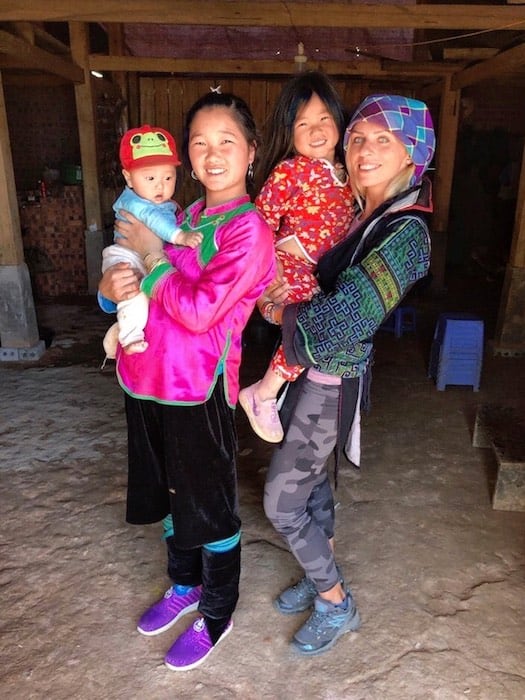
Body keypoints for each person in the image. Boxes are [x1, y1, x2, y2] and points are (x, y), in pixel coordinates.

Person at [98, 92, 275, 671]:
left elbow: (200, 312)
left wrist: (152, 262)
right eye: (199, 143)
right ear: (186, 159)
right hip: (145, 381)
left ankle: (217, 610)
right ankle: (185, 583)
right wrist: (115, 288)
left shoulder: (248, 232)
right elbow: (122, 271)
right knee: (171, 494)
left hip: (197, 389)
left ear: (250, 152)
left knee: (211, 506)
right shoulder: (184, 216)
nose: (212, 153)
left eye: (227, 141)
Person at [262, 94, 436, 656]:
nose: (364, 150)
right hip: (308, 373)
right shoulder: (365, 213)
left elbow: (340, 322)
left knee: (282, 503)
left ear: (414, 153)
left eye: (383, 139)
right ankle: (320, 577)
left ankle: (336, 603)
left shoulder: (407, 234)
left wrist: (274, 311)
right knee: (311, 485)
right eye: (358, 137)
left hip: (329, 378)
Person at [238, 71, 354, 443]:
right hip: (285, 269)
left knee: (321, 328)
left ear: (339, 119)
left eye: (323, 119)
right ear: (289, 134)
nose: (316, 129)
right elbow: (261, 223)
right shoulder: (290, 171)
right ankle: (263, 392)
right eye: (303, 123)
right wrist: (264, 273)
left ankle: (288, 393)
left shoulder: (350, 173)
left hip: (317, 274)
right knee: (312, 325)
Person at [101, 124, 202, 359]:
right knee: (135, 292)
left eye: (168, 177)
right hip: (124, 257)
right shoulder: (135, 203)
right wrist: (181, 237)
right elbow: (154, 222)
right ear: (128, 177)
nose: (160, 185)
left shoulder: (175, 208)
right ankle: (130, 336)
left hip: (171, 355)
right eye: (150, 178)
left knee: (143, 294)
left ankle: (123, 330)